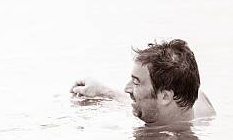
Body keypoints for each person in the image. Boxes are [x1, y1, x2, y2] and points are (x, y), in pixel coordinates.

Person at [71, 39, 215, 126]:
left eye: (136, 82)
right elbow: (150, 101)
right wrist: (102, 91)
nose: (126, 89)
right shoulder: (201, 103)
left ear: (165, 96)